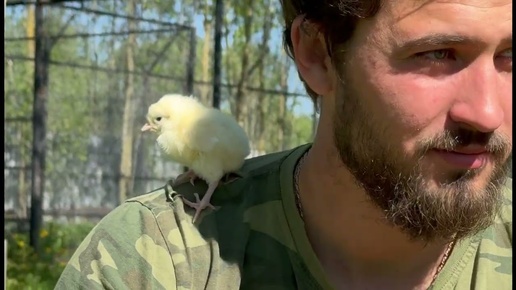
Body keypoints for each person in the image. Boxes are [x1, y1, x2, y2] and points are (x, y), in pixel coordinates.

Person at [54, 0, 512, 289]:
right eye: (436, 54)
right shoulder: (151, 261)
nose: (487, 113)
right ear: (317, 55)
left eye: (510, 56)